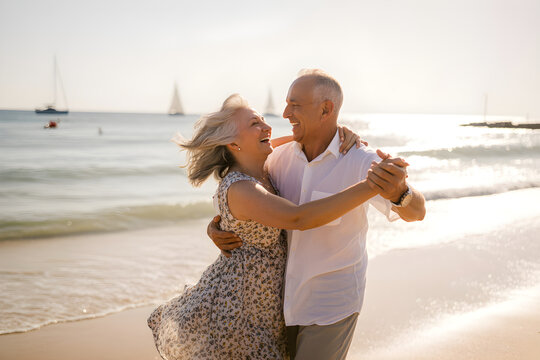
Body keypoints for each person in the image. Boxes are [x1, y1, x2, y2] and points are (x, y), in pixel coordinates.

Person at [147, 93, 387, 359]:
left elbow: (302, 139)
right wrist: (371, 186)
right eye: (254, 124)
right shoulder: (241, 187)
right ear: (232, 142)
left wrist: (337, 133)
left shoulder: (263, 170)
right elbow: (298, 218)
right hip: (238, 306)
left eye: (263, 121)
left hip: (265, 304)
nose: (267, 127)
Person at [208, 69, 426, 359]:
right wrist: (215, 228)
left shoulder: (362, 161)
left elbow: (418, 212)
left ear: (326, 109)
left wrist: (400, 192)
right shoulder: (276, 159)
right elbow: (237, 194)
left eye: (295, 105)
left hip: (330, 305)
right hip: (275, 305)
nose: (285, 113)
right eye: (286, 103)